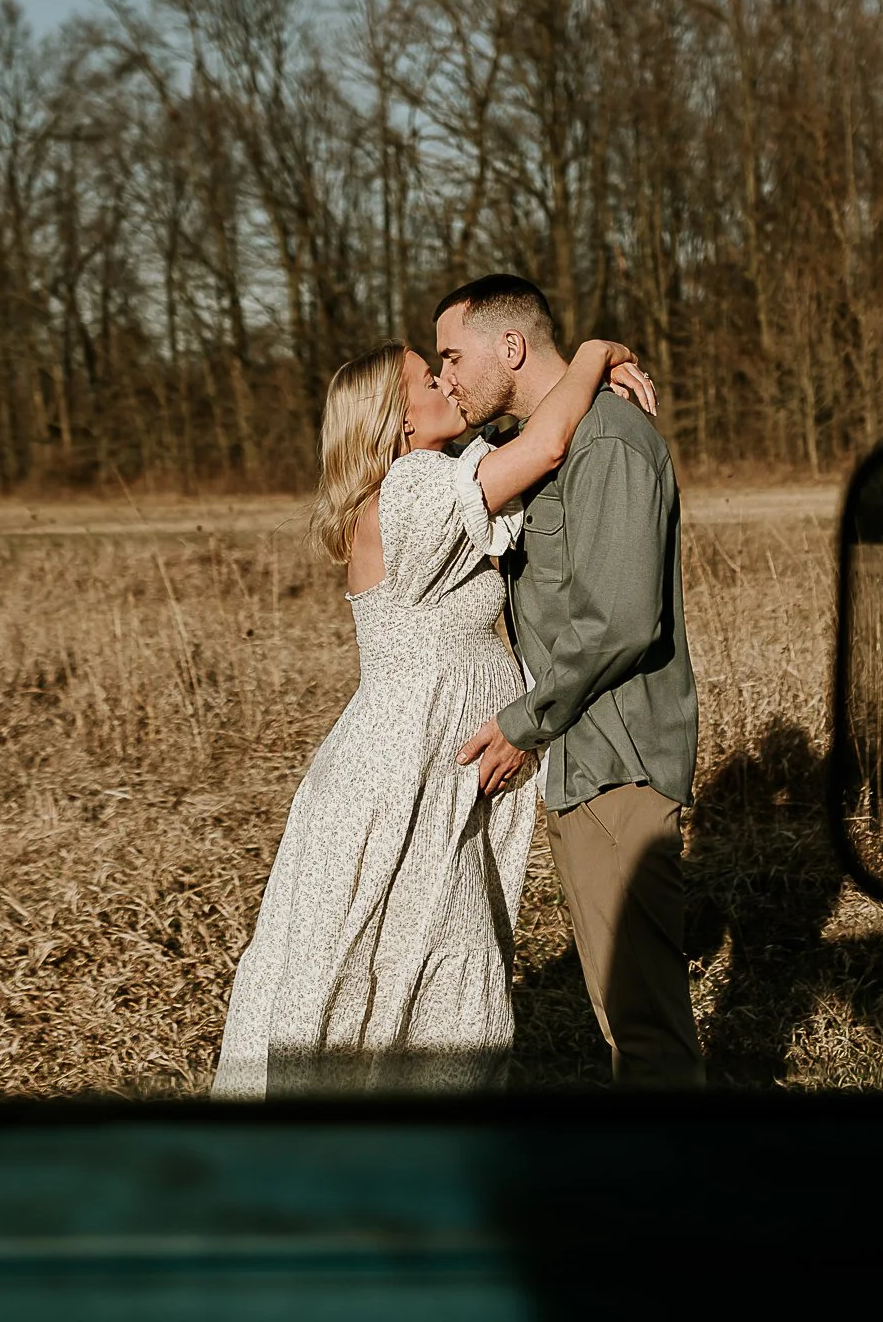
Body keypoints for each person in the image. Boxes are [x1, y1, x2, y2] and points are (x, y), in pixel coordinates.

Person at [211, 336, 655, 1097]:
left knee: (393, 956)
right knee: (414, 956)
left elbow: (524, 440)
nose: (448, 383)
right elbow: (545, 447)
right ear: (399, 419)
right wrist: (594, 353)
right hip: (405, 773)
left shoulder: (421, 482)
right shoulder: (414, 486)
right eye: (428, 379)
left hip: (414, 762)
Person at [440, 275, 705, 1087]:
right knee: (620, 1017)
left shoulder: (609, 441)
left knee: (645, 1028)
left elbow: (620, 620)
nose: (447, 378)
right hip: (577, 760)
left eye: (453, 357)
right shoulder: (535, 445)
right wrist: (598, 355)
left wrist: (524, 722)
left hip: (617, 760)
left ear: (510, 346)